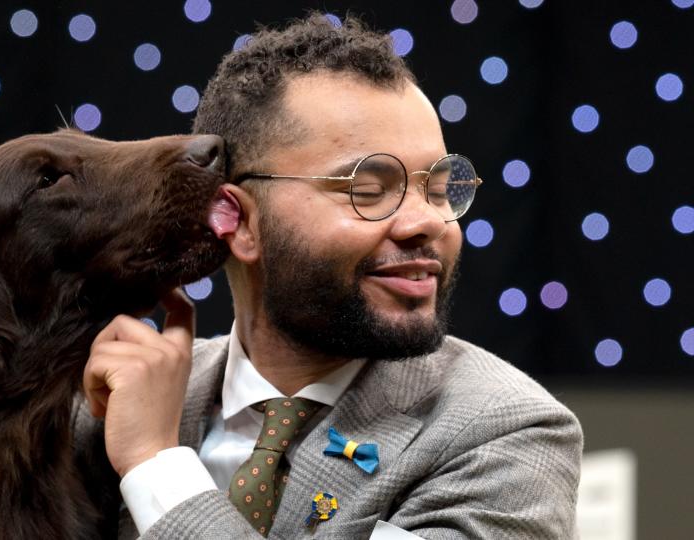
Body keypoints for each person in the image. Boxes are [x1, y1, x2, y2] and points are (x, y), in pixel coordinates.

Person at [77, 13, 582, 539]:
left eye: (437, 188)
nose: (429, 222)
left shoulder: (508, 435)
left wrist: (155, 466)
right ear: (239, 220)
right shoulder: (106, 408)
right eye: (367, 189)